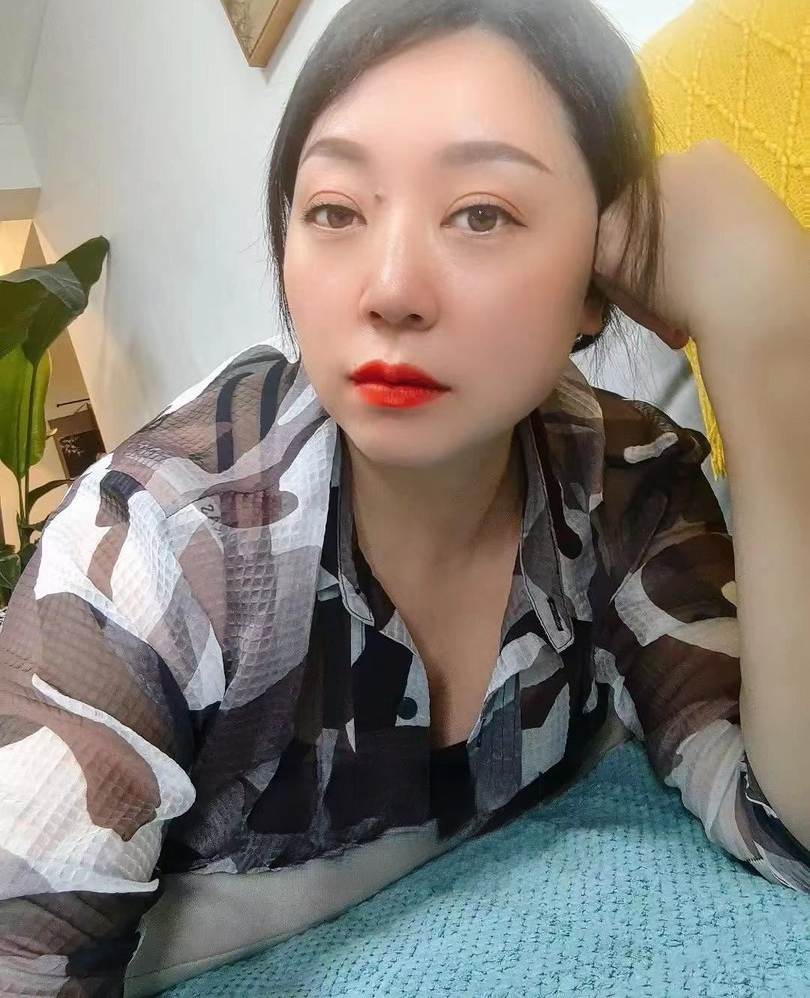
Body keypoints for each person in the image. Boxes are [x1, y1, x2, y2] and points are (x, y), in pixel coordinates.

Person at [1, 0, 809, 993]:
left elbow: (786, 821)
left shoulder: (625, 480)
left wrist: (771, 335)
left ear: (599, 280)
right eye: (335, 210)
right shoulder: (155, 552)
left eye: (482, 213)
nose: (389, 288)